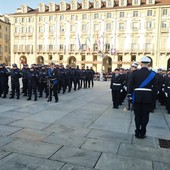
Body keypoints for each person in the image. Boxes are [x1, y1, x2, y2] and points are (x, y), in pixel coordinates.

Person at [128, 56, 157, 139]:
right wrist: (153, 100)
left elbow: (130, 85)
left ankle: (137, 131)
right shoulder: (153, 74)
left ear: (140, 64)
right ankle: (143, 132)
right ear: (149, 64)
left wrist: (130, 96)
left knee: (137, 115)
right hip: (148, 98)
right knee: (145, 116)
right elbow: (155, 89)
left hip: (137, 97)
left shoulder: (135, 73)